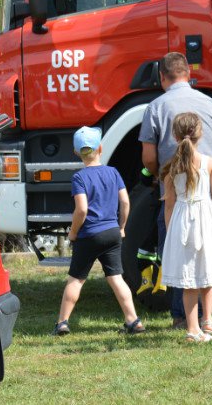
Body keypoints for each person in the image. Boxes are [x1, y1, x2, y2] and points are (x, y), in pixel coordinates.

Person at [140, 52, 212, 328]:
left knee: (180, 255)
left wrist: (165, 176)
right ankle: (208, 315)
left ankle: (182, 316)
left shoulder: (156, 106)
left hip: (180, 193)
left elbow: (148, 158)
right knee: (209, 254)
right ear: (189, 75)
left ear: (162, 77)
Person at [54, 127, 145, 336]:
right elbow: (125, 201)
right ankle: (133, 321)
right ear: (101, 148)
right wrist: (121, 227)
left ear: (77, 153)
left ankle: (62, 323)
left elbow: (82, 209)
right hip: (112, 232)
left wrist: (73, 232)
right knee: (116, 278)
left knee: (76, 279)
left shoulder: (79, 178)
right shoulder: (113, 172)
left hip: (89, 235)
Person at [160, 113, 212, 342]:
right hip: (206, 216)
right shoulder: (210, 163)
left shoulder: (171, 167)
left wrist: (170, 230)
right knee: (208, 272)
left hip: (182, 218)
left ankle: (192, 327)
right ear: (200, 134)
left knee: (188, 276)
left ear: (174, 136)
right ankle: (207, 321)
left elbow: (169, 204)